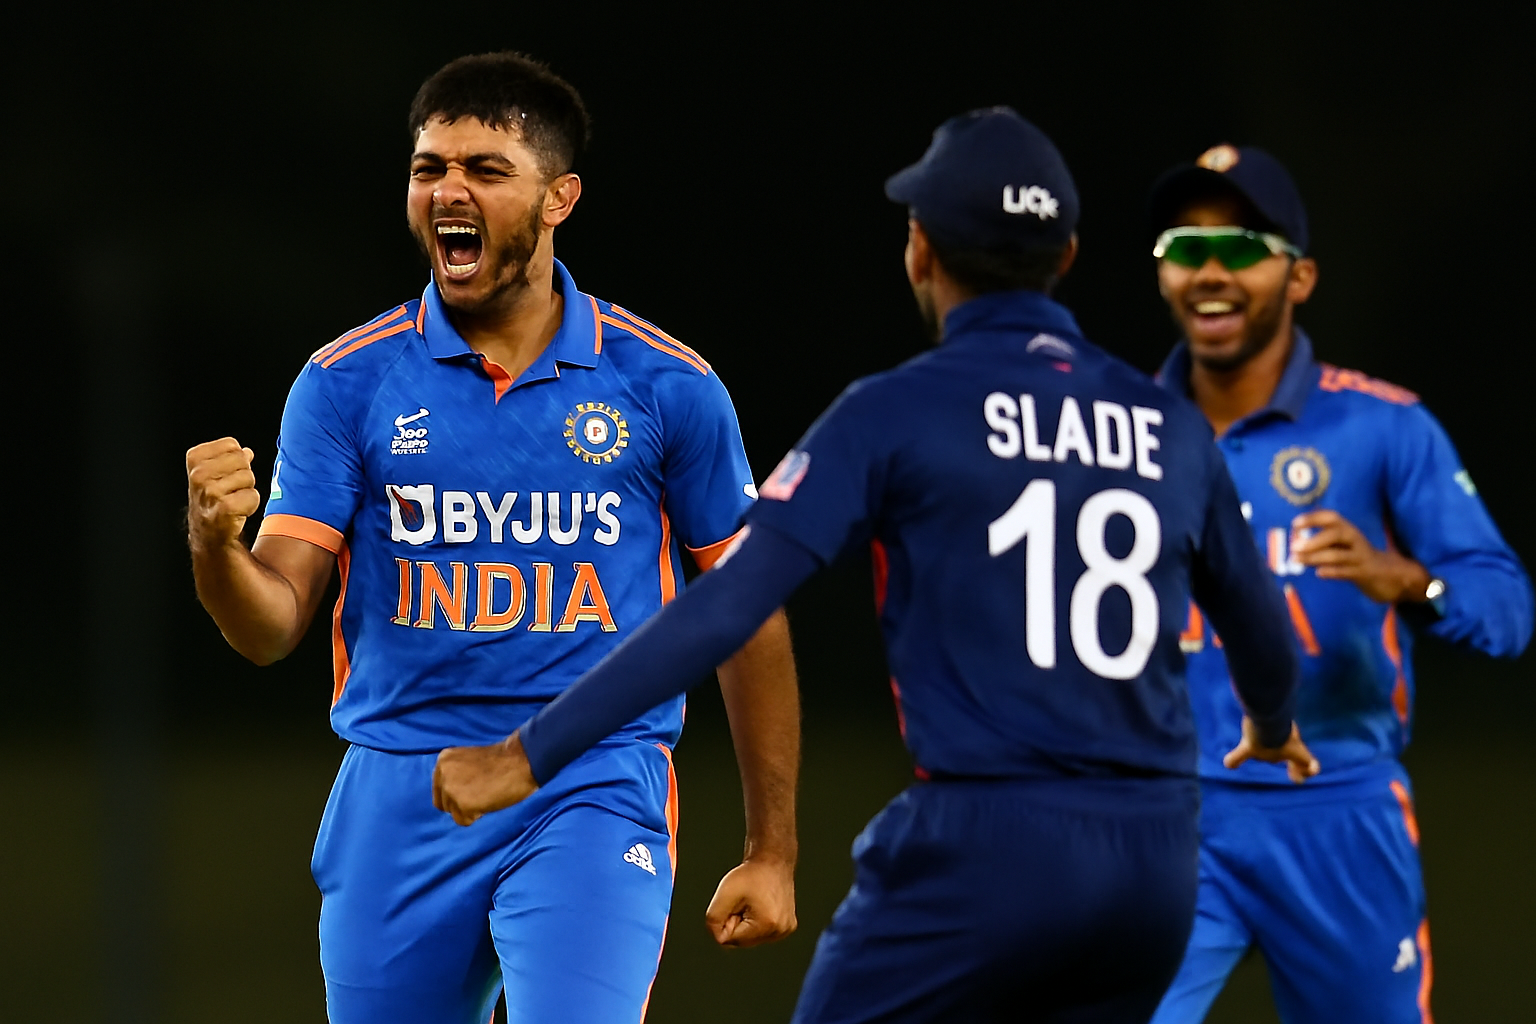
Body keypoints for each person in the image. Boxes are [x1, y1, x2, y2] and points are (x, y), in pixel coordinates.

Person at [434, 107, 1319, 1024]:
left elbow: (730, 600)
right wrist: (1273, 723)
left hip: (986, 843)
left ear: (921, 250)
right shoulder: (1170, 424)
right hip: (1155, 863)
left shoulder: (897, 412)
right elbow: (1261, 631)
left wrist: (528, 753)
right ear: (1066, 255)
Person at [183, 52, 800, 1024]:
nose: (448, 191)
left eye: (484, 168)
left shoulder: (667, 386)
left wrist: (772, 850)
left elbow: (746, 611)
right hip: (400, 788)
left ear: (559, 198)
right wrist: (216, 548)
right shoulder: (346, 382)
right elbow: (267, 628)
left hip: (590, 778)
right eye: (430, 168)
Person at [1142, 144, 1534, 1024]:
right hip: (1163, 815)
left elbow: (1507, 608)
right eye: (1184, 248)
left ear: (1301, 276)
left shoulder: (1383, 426)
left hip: (1338, 810)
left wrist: (1407, 581)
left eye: (1242, 249)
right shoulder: (1121, 427)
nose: (1210, 271)